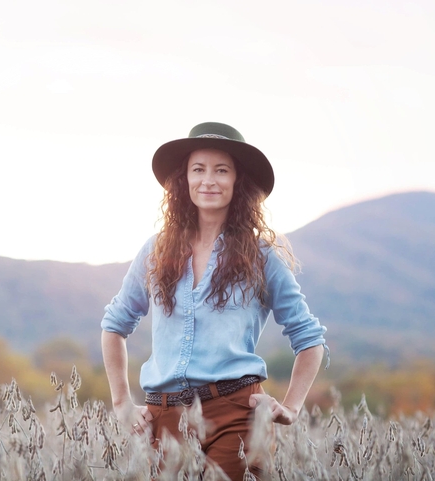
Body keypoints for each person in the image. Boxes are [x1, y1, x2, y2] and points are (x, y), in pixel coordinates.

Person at [101, 122, 328, 480]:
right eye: (198, 169)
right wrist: (120, 404)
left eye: (221, 170)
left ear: (238, 182)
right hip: (163, 418)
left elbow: (309, 339)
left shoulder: (262, 256)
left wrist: (292, 407)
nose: (209, 180)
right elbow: (115, 325)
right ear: (184, 180)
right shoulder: (155, 250)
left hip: (235, 414)